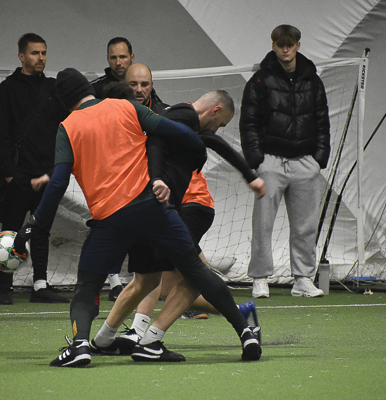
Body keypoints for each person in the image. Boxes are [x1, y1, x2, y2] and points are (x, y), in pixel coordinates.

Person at [13, 68, 261, 367]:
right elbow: (174, 131)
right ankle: (245, 332)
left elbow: (58, 184)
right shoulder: (125, 107)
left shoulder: (67, 127)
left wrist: (34, 224)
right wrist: (198, 150)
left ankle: (81, 346)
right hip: (151, 208)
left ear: (64, 100)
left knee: (88, 286)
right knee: (194, 270)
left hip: (109, 219)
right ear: (88, 89)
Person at [106, 72, 264, 347]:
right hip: (173, 208)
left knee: (172, 273)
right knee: (170, 283)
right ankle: (240, 313)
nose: (139, 90)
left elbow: (207, 143)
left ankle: (142, 335)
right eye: (134, 85)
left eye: (144, 84)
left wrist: (249, 176)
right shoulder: (173, 118)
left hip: (192, 206)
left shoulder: (180, 118)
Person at [240, 24, 330, 298]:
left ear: (298, 46)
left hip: (305, 162)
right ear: (273, 46)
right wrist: (257, 160)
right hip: (271, 161)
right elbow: (248, 122)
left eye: (290, 44)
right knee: (263, 224)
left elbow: (322, 121)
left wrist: (318, 159)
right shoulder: (259, 80)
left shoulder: (312, 80)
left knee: (306, 225)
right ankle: (260, 278)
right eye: (281, 44)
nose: (285, 49)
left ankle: (303, 279)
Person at [0, 33, 70, 305]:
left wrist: (55, 170)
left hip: (47, 173)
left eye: (44, 53)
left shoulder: (53, 88)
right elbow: (1, 132)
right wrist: (9, 173)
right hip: (19, 174)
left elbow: (64, 130)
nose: (41, 58)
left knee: (41, 231)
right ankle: (5, 288)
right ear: (21, 56)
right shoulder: (8, 88)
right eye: (35, 53)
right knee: (10, 231)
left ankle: (40, 285)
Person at [90, 37, 135, 300]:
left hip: (134, 166)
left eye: (123, 57)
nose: (118, 62)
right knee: (107, 222)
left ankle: (142, 280)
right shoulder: (96, 89)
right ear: (108, 59)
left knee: (135, 223)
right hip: (105, 168)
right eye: (113, 57)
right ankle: (113, 280)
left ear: (131, 57)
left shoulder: (139, 84)